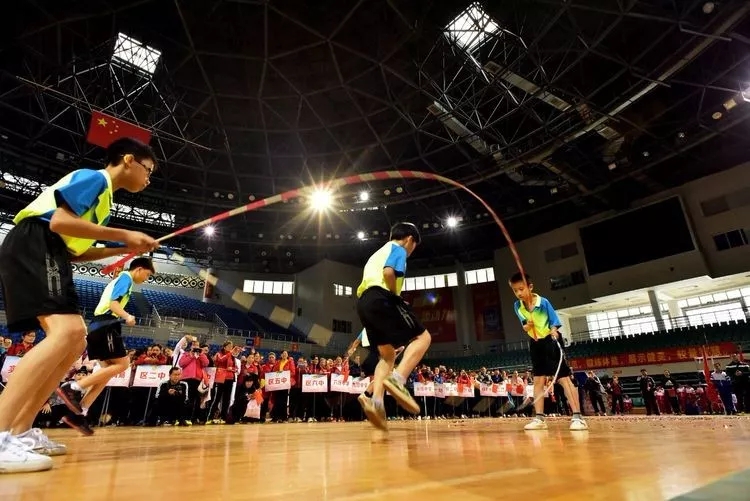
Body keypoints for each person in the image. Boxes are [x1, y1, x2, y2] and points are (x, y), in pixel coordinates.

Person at [0, 137, 159, 473]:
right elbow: (58, 222)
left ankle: (21, 431)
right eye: (147, 170)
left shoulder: (104, 204)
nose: (148, 179)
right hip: (37, 241)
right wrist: (124, 235)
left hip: (54, 251)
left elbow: (77, 252)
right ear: (128, 160)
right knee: (67, 332)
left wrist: (122, 248)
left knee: (74, 340)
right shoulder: (94, 178)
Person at [56, 257, 155, 434]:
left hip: (98, 326)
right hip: (106, 325)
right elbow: (113, 304)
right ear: (139, 269)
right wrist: (127, 316)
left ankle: (79, 414)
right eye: (147, 275)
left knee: (105, 375)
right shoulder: (125, 278)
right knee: (123, 364)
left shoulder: (122, 280)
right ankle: (73, 387)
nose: (146, 279)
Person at [354, 222, 432, 431]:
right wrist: (395, 297)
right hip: (382, 298)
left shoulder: (376, 254)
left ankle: (376, 401)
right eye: (413, 246)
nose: (411, 251)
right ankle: (398, 379)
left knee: (387, 356)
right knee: (423, 338)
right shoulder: (398, 249)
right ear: (409, 239)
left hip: (363, 304)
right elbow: (389, 272)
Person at [508, 272, 587, 431]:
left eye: (521, 289)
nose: (519, 293)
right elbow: (524, 325)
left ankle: (578, 417)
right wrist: (528, 326)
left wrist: (554, 331)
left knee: (563, 378)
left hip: (550, 340)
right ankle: (539, 419)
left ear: (530, 287)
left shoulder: (543, 302)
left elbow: (554, 322)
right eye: (515, 290)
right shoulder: (518, 306)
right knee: (538, 379)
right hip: (535, 343)